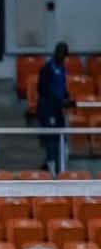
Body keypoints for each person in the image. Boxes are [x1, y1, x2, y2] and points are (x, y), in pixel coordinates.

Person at [35, 41, 76, 173]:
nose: (62, 57)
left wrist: (67, 98)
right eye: (61, 54)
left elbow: (62, 88)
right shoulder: (47, 68)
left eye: (64, 55)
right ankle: (51, 164)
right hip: (47, 109)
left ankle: (54, 165)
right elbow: (41, 89)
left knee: (60, 137)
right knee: (51, 138)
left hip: (58, 109)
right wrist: (57, 100)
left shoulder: (62, 69)